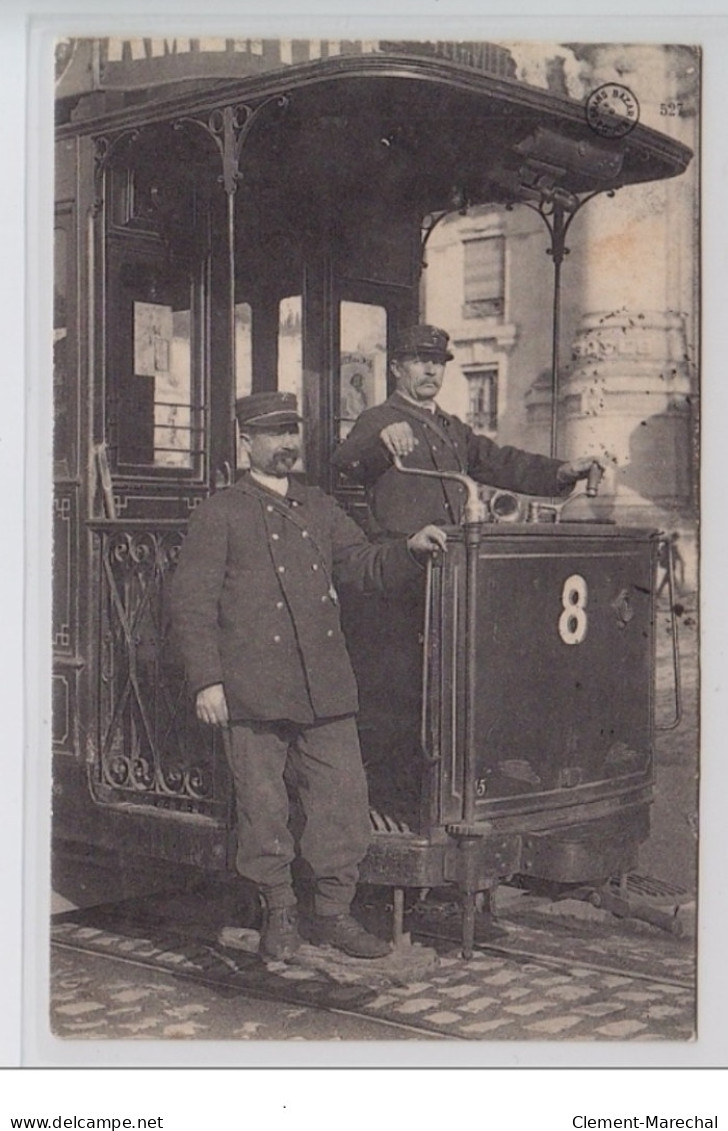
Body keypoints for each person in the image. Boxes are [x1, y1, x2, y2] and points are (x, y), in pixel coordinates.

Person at [169, 390, 446, 963]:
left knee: (342, 803)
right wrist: (206, 682)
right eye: (274, 434)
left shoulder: (318, 507)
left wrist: (410, 550)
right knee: (263, 808)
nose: (287, 444)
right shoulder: (221, 511)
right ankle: (279, 915)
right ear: (246, 442)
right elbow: (191, 603)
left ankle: (334, 916)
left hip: (323, 685)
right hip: (251, 688)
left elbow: (362, 563)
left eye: (292, 432)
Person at [331, 324, 606, 826]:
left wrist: (561, 472)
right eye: (419, 361)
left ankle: (448, 800)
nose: (431, 369)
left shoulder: (453, 428)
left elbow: (499, 462)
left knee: (453, 693)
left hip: (451, 583)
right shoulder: (379, 420)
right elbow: (345, 462)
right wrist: (379, 444)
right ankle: (390, 808)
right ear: (397, 368)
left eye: (438, 362)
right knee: (398, 696)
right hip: (402, 582)